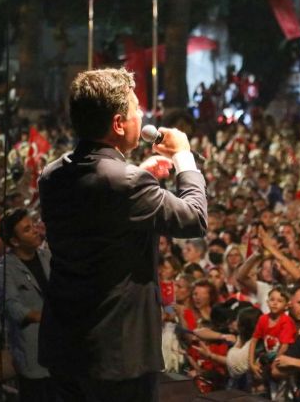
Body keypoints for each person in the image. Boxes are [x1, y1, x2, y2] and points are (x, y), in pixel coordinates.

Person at [37, 68, 207, 401]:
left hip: (66, 347)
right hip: (117, 355)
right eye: (135, 110)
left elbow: (97, 209)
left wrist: (138, 173)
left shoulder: (52, 174)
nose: (140, 116)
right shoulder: (127, 183)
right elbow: (194, 219)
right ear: (118, 123)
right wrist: (185, 157)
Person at [0, 208, 54, 401]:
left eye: (33, 225)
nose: (36, 230)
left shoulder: (48, 257)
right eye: (27, 229)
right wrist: (45, 317)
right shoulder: (5, 270)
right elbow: (13, 308)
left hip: (60, 349)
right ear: (14, 241)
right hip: (32, 353)